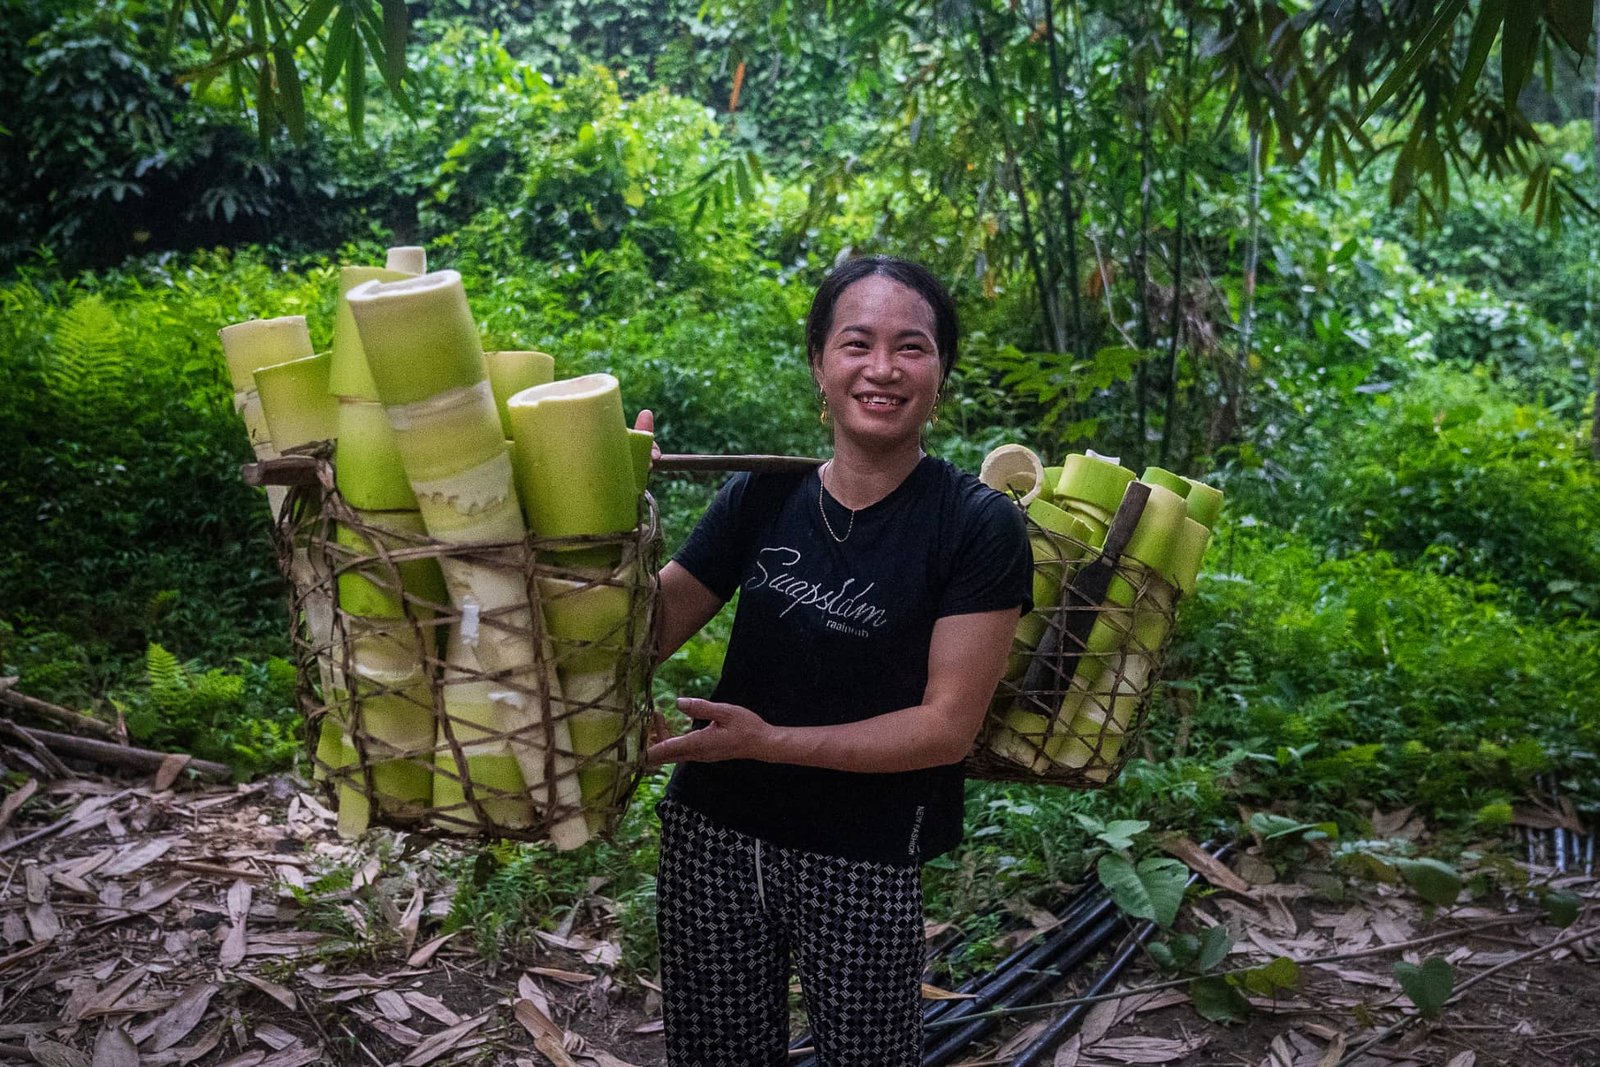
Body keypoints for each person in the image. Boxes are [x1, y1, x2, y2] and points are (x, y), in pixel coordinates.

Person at [633, 255, 1032, 1066]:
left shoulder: (975, 523)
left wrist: (768, 740)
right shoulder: (763, 494)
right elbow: (637, 637)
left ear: (942, 370)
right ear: (819, 362)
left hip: (864, 849)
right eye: (856, 343)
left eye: (911, 347)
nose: (882, 369)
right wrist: (606, 512)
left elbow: (945, 727)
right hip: (715, 830)